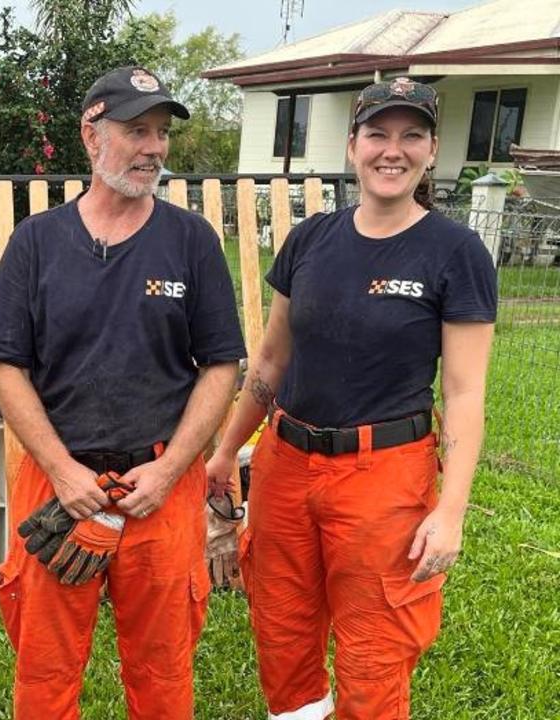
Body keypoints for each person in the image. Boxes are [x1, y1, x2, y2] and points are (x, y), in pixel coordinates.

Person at [205, 77, 497, 720]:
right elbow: (273, 360)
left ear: (431, 150)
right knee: (283, 640)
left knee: (373, 658)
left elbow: (466, 391)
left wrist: (451, 510)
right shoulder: (309, 241)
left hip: (384, 479)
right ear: (351, 146)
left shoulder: (456, 252)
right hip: (285, 466)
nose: (392, 151)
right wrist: (227, 450)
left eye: (411, 136)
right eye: (378, 135)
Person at [0, 66, 246, 719]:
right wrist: (63, 471)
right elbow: (4, 367)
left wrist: (171, 468)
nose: (154, 147)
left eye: (161, 134)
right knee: (44, 670)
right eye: (136, 131)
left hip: (160, 482)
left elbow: (221, 365)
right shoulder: (37, 243)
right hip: (57, 483)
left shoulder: (191, 242)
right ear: (91, 136)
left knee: (163, 671)